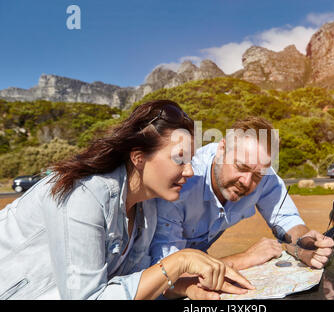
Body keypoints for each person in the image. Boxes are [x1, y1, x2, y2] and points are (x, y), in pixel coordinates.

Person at [0, 100, 253, 300]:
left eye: (191, 161)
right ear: (138, 157)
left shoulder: (148, 204)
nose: (189, 171)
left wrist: (182, 288)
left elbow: (134, 280)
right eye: (179, 159)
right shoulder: (84, 194)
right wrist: (178, 262)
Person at [149, 116, 334, 299]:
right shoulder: (182, 182)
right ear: (221, 148)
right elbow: (167, 276)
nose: (247, 182)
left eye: (257, 176)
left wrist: (305, 242)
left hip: (196, 278)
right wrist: (244, 258)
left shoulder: (261, 172)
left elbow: (286, 219)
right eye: (241, 167)